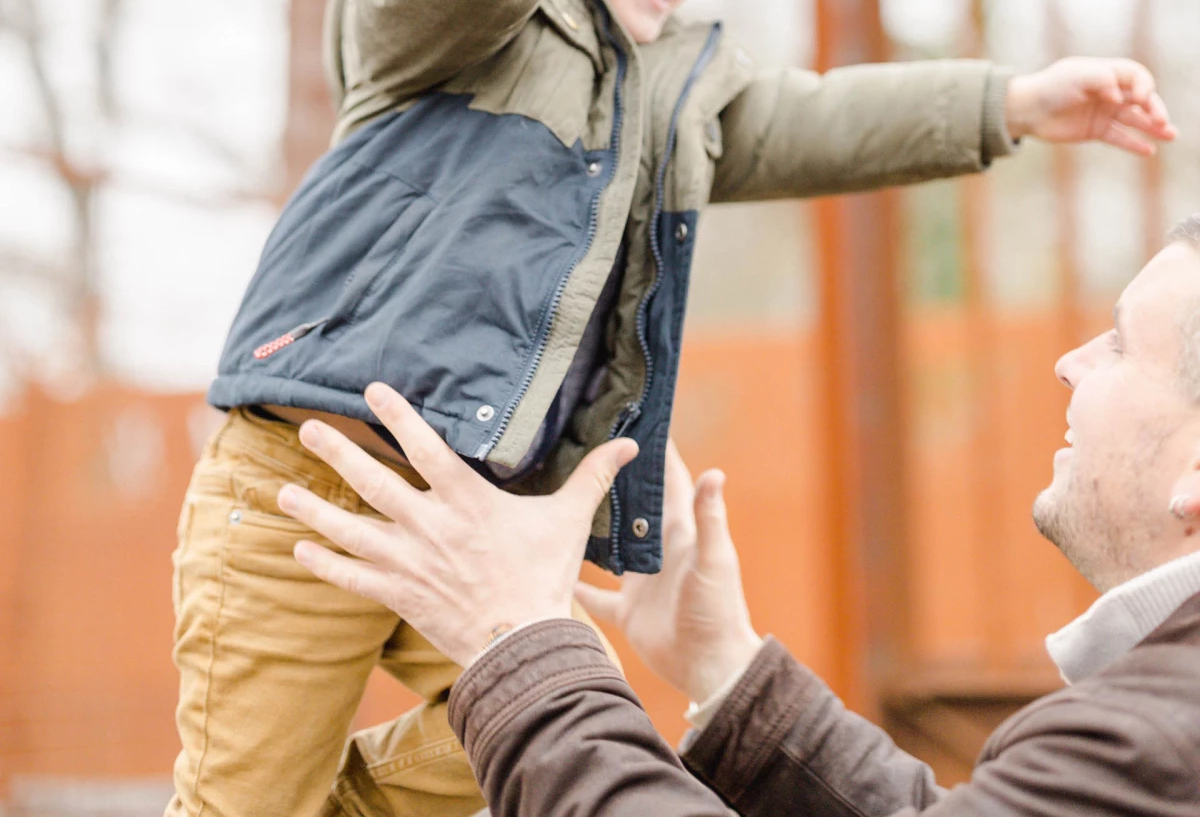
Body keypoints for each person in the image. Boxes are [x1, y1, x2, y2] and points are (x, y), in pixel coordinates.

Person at [169, 0, 1175, 817]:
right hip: (314, 474)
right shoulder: (450, 25)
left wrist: (1005, 102)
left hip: (486, 506)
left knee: (504, 737)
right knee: (246, 793)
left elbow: (812, 121)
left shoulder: (676, 91)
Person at [279, 217, 1200, 816]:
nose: (1071, 362)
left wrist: (518, 643)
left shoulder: (1161, 738)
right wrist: (726, 671)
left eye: (1120, 343)